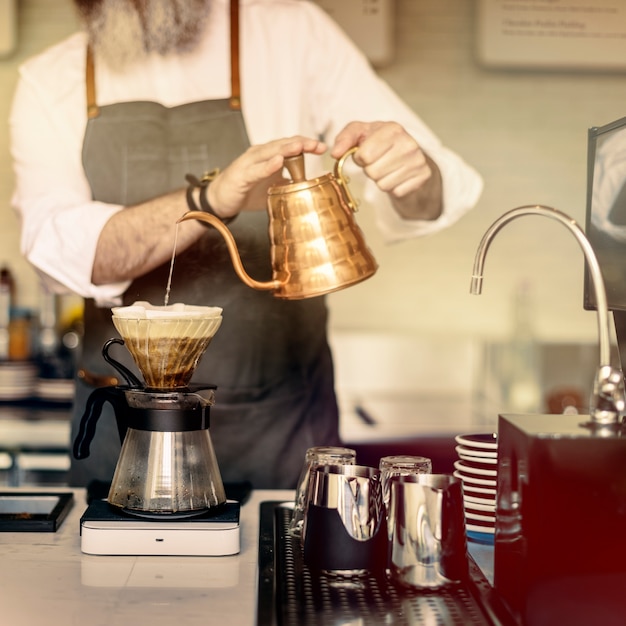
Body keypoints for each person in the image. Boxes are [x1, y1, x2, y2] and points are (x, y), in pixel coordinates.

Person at [10, 0, 483, 489]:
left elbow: (431, 194)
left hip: (280, 430)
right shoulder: (50, 80)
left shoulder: (290, 32)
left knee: (286, 564)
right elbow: (67, 255)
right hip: (125, 434)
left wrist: (409, 170)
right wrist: (210, 198)